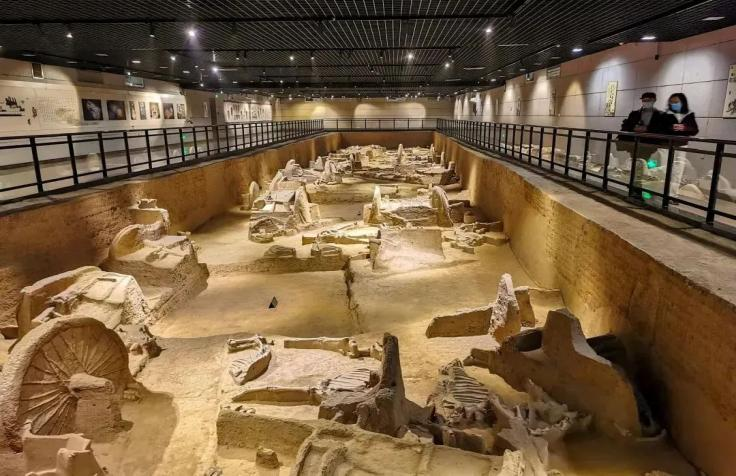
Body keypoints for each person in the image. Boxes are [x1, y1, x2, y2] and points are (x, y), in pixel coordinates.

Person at [617, 92, 666, 162]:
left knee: (644, 162)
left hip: (649, 144)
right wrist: (634, 128)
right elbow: (626, 126)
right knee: (634, 161)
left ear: (654, 100)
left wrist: (647, 129)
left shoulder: (659, 115)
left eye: (648, 100)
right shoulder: (634, 114)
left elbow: (661, 129)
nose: (645, 102)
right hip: (634, 143)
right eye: (644, 100)